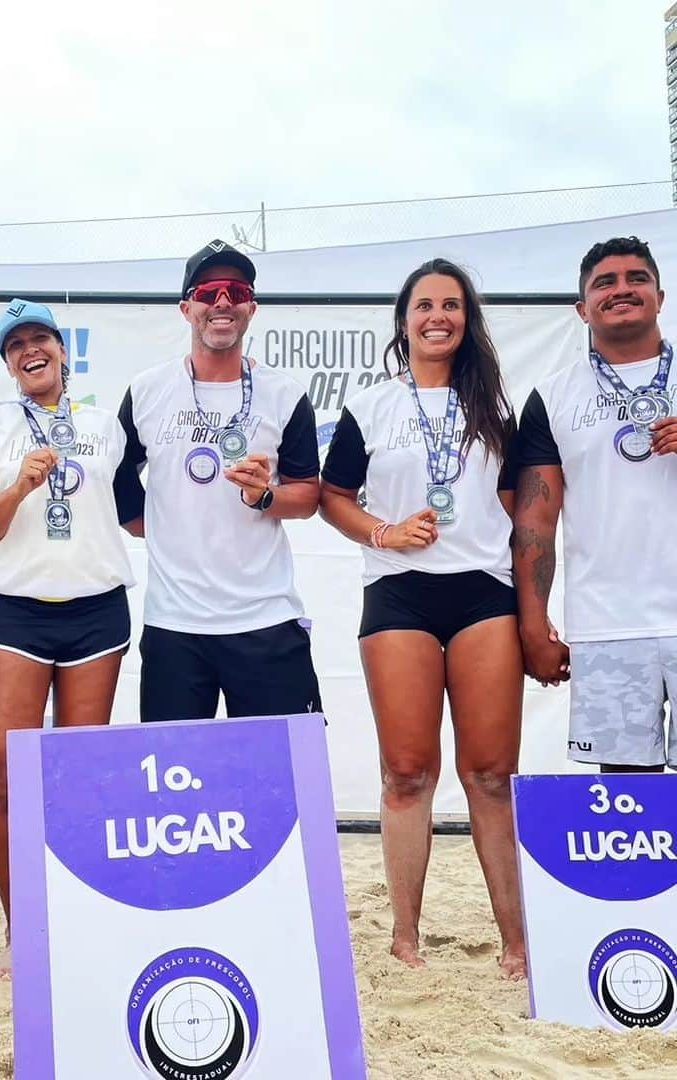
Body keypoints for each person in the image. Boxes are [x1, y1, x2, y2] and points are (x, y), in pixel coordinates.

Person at [319, 258, 526, 977]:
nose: (438, 316)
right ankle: (406, 938)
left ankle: (517, 943)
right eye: (424, 305)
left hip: (482, 596)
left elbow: (527, 511)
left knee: (492, 775)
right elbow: (332, 496)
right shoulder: (371, 406)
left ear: (467, 321)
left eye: (452, 305)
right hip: (400, 595)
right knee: (407, 773)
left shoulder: (497, 410)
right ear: (403, 319)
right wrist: (381, 530)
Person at [0, 299, 136, 977]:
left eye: (41, 340)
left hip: (96, 608)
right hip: (14, 613)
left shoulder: (104, 427)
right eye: (16, 345)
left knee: (82, 778)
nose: (31, 351)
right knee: (7, 777)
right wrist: (22, 487)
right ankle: (20, 925)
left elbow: (139, 509)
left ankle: (80, 912)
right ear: (6, 362)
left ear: (64, 353)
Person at [115, 239, 322, 723]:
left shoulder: (284, 394)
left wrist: (264, 496)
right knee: (178, 784)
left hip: (265, 617)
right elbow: (117, 478)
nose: (222, 302)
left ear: (251, 307)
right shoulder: (148, 390)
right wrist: (156, 525)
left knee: (279, 779)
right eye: (208, 292)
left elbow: (308, 495)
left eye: (235, 290)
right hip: (175, 623)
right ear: (187, 309)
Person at [515, 236, 677, 773]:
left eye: (637, 278)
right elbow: (536, 519)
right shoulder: (552, 396)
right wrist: (533, 625)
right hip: (608, 625)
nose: (622, 289)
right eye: (604, 282)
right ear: (583, 308)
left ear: (660, 295)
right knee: (630, 801)